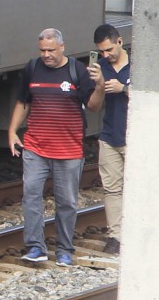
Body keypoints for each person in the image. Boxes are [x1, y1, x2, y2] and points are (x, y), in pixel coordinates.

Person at [10, 28, 100, 266]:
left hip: (68, 151)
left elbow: (93, 106)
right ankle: (35, 247)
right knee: (31, 196)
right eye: (42, 50)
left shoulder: (76, 70)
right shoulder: (32, 67)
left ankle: (64, 249)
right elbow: (23, 102)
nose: (46, 55)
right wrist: (12, 131)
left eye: (51, 50)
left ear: (62, 47)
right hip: (35, 147)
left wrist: (100, 86)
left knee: (67, 202)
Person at [93, 23, 129, 255]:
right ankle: (115, 236)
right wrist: (98, 85)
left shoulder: (142, 65)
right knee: (112, 189)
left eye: (109, 50)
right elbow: (94, 107)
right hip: (109, 136)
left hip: (136, 136)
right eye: (101, 51)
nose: (106, 55)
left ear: (120, 42)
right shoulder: (102, 67)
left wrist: (123, 88)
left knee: (140, 187)